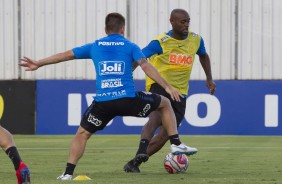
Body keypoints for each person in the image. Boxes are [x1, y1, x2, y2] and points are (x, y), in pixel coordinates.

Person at [20, 12, 198, 180]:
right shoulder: (130, 46)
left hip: (104, 103)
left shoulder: (95, 46)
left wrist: (39, 63)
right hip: (128, 101)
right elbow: (146, 66)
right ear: (122, 29)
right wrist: (167, 86)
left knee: (82, 134)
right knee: (165, 103)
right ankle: (176, 143)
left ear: (106, 30)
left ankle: (67, 174)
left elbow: (65, 56)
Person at [124, 8, 216, 173]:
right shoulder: (160, 42)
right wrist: (125, 76)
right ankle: (141, 150)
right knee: (156, 117)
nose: (186, 25)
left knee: (165, 135)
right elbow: (139, 58)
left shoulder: (196, 40)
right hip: (159, 85)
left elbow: (203, 55)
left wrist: (209, 78)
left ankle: (134, 163)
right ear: (172, 22)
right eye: (182, 22)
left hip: (180, 92)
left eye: (188, 21)